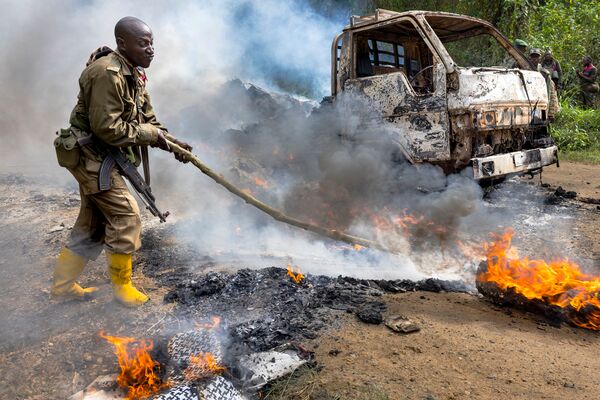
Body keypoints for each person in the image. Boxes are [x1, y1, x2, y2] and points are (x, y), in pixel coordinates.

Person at [51, 17, 192, 307]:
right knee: (127, 215)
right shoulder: (107, 74)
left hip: (107, 155)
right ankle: (122, 288)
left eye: (152, 43)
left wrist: (173, 143)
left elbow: (148, 120)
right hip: (90, 155)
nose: (151, 49)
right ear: (122, 44)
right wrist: (152, 136)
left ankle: (63, 286)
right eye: (143, 43)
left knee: (93, 223)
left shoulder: (134, 73)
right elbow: (108, 128)